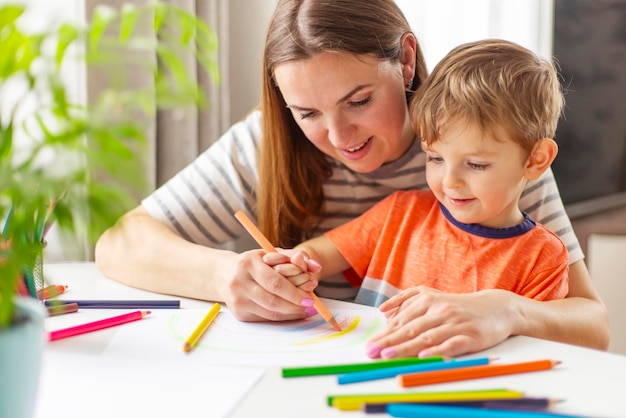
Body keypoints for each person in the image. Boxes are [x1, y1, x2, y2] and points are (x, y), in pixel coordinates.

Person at [94, 0, 609, 356]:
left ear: (406, 61)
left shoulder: (487, 149)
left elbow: (592, 321)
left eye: (358, 101)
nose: (339, 136)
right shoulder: (267, 143)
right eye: (306, 112)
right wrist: (224, 276)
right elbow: (120, 242)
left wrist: (508, 312)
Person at [266, 39, 570, 358]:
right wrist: (297, 265)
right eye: (435, 158)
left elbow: (541, 350)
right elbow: (315, 254)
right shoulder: (401, 213)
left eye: (476, 164)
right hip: (364, 368)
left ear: (536, 160)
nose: (450, 181)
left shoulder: (543, 257)